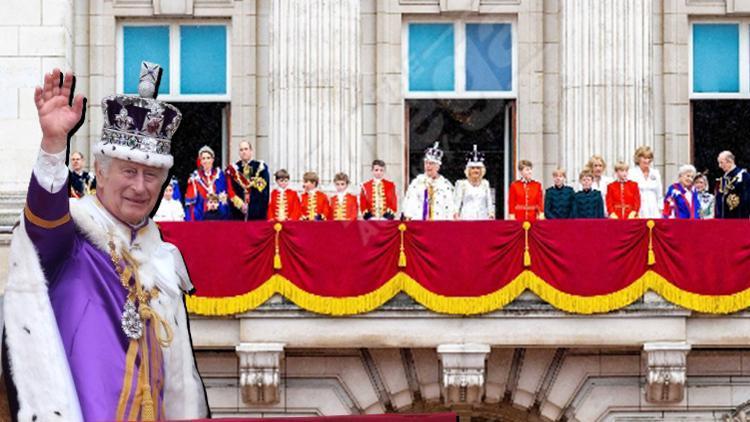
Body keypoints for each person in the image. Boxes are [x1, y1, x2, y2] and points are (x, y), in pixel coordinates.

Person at [3, 65, 207, 420]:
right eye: (128, 171)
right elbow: (42, 223)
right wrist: (53, 147)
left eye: (151, 175)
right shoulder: (72, 238)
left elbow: (177, 385)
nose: (140, 187)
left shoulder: (163, 260)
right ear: (100, 171)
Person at [403, 142, 455, 220]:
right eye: (426, 163)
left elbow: (451, 207)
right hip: (420, 224)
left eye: (431, 163)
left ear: (438, 166)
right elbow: (409, 203)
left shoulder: (445, 185)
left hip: (439, 225)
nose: (428, 166)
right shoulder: (417, 183)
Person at [225, 141, 270, 221]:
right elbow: (230, 190)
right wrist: (240, 204)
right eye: (241, 150)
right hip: (238, 212)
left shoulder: (260, 167)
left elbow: (264, 190)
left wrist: (253, 205)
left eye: (246, 149)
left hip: (256, 211)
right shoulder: (233, 169)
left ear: (251, 151)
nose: (244, 152)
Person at [185, 145, 230, 221]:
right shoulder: (195, 177)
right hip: (201, 213)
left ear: (212, 159)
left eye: (208, 158)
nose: (206, 161)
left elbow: (224, 195)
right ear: (201, 161)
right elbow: (190, 203)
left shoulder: (219, 175)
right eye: (203, 158)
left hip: (218, 212)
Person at [454, 145, 494, 220]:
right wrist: (456, 216)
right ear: (468, 170)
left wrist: (491, 215)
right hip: (466, 220)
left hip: (483, 219)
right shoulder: (462, 184)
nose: (475, 170)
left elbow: (489, 202)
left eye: (478, 168)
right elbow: (456, 204)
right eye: (472, 168)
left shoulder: (485, 184)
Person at [628, 146, 663, 218]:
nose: (647, 160)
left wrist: (660, 209)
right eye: (644, 158)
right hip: (638, 207)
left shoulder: (655, 173)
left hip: (653, 207)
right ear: (638, 159)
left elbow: (659, 193)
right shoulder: (631, 173)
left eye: (649, 158)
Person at [715, 150, 750, 219]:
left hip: (738, 219)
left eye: (721, 163)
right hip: (722, 221)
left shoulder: (743, 176)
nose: (719, 166)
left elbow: (747, 199)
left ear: (730, 161)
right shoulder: (723, 179)